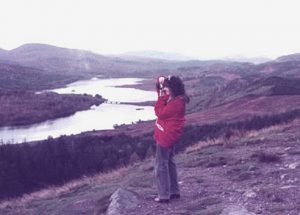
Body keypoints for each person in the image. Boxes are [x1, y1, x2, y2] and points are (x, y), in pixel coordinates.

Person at [153, 75, 189, 203]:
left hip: (166, 136)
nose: (165, 89)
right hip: (171, 135)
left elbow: (159, 113)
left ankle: (164, 195)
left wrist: (161, 96)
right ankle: (174, 192)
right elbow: (160, 84)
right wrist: (161, 83)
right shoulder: (177, 99)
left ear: (173, 88)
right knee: (169, 162)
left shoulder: (176, 103)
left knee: (161, 165)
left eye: (168, 87)